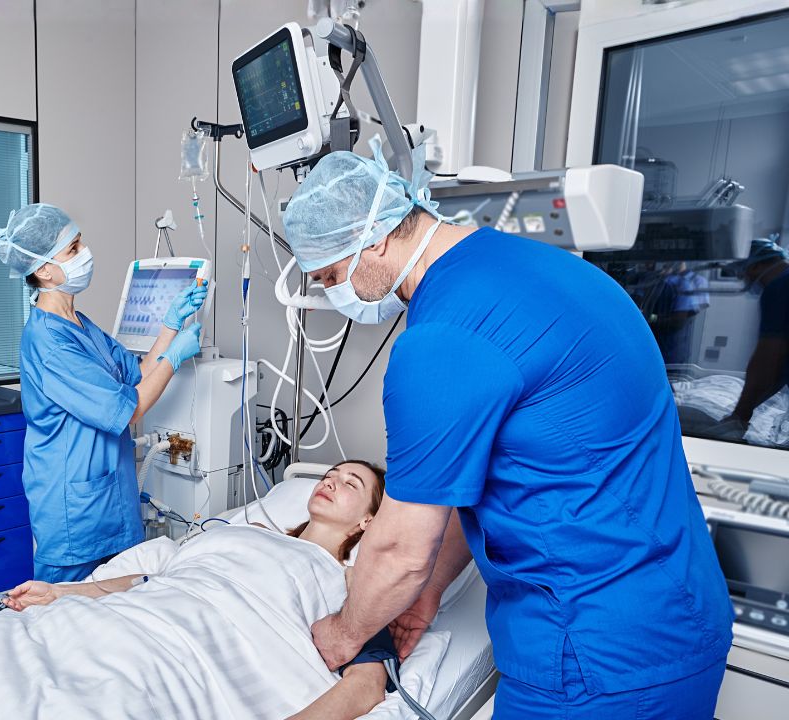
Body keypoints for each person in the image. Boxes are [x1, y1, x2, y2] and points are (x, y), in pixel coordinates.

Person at [279, 137, 732, 719]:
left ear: (378, 237)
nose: (329, 291)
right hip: (681, 609)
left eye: (331, 274)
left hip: (600, 660)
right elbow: (492, 481)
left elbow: (397, 549)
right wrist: (432, 591)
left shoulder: (441, 343)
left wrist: (344, 634)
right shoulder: (546, 270)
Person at [6, 461, 402, 720]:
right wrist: (66, 593)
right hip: (141, 616)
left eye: (351, 483)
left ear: (368, 520)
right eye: (329, 475)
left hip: (199, 649)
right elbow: (153, 579)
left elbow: (366, 685)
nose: (331, 481)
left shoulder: (350, 585)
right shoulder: (249, 531)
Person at [0, 204, 209, 583]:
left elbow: (137, 372)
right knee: (60, 620)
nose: (85, 254)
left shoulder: (78, 324)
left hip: (109, 496)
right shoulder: (50, 341)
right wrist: (174, 359)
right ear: (43, 270)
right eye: (73, 249)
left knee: (116, 618)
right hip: (74, 509)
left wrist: (170, 325)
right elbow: (130, 410)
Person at [715, 237, 789, 438]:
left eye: (743, 271)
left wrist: (740, 414)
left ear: (756, 265)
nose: (744, 279)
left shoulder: (779, 287)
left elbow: (768, 358)